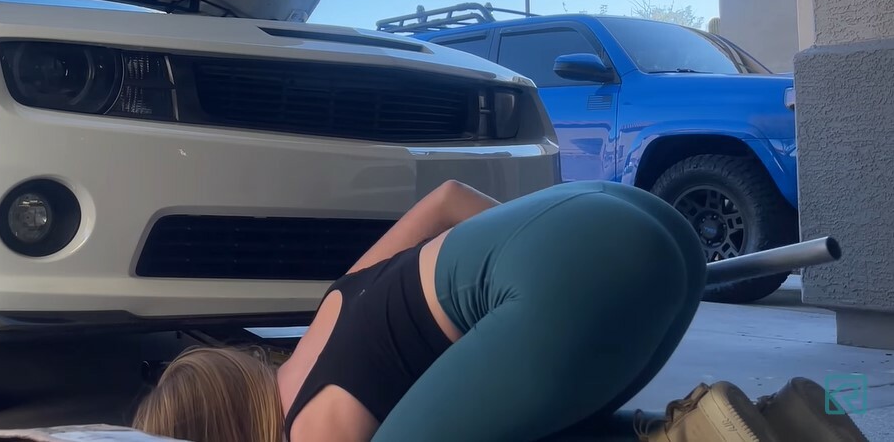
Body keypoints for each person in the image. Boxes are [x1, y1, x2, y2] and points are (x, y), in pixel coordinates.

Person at [131, 180, 867, 442]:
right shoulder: (335, 299)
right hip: (641, 219)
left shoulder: (310, 428)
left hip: (590, 271)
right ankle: (771, 424)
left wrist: (574, 274)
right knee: (513, 424)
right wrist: (570, 247)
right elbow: (449, 199)